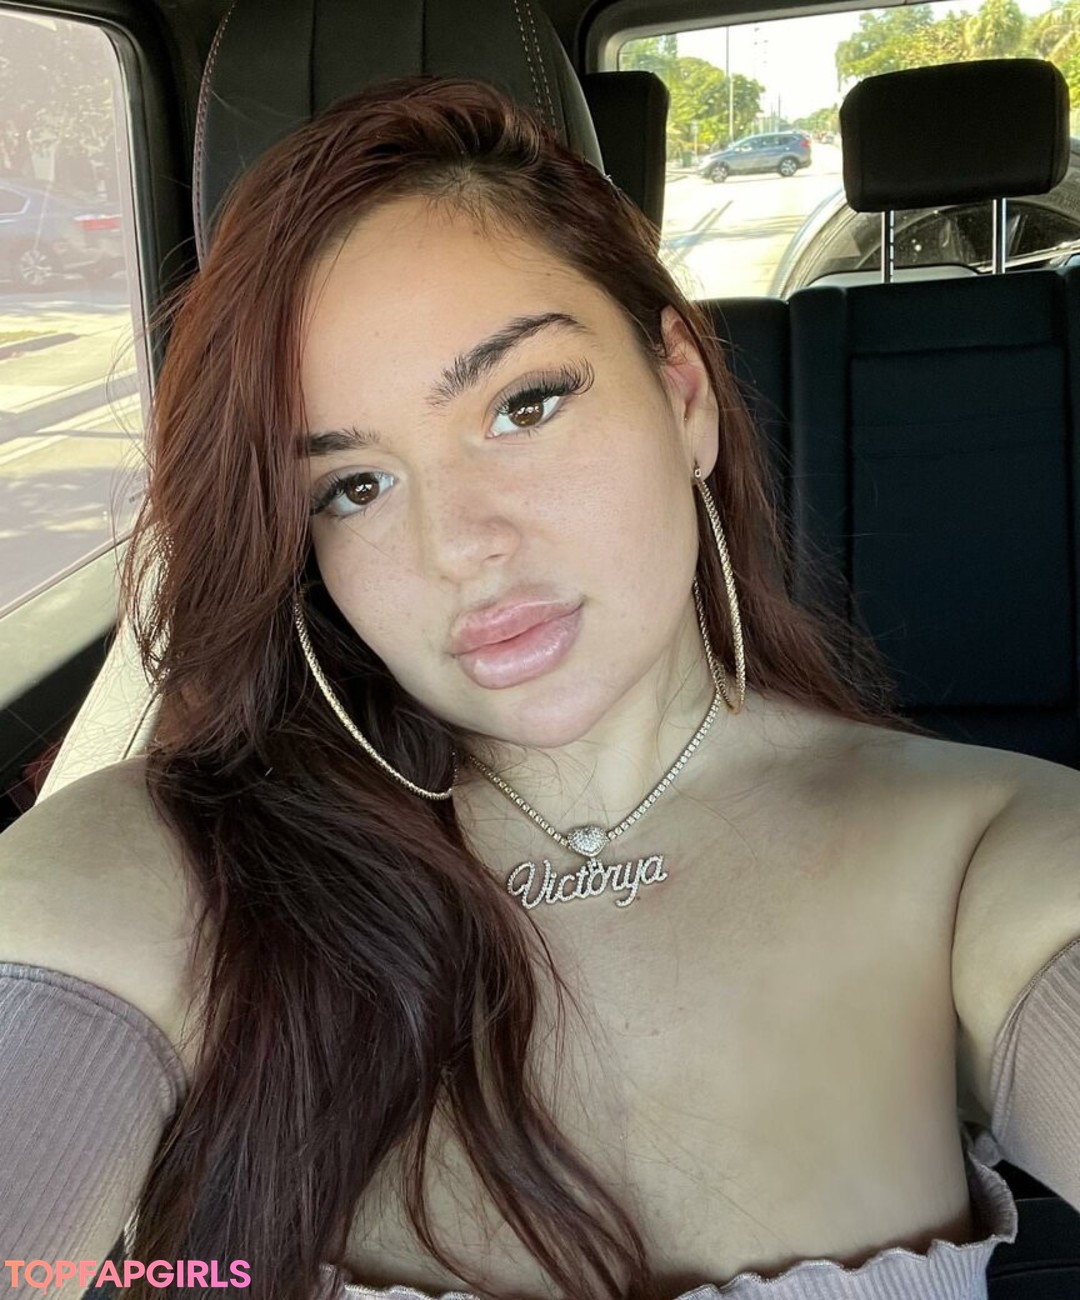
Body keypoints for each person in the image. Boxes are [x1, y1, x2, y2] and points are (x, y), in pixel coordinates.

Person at [1, 76, 1078, 1300]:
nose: (460, 546)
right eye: (353, 486)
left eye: (525, 404)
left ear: (683, 397)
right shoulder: (172, 870)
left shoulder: (979, 859)